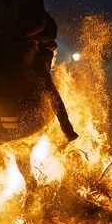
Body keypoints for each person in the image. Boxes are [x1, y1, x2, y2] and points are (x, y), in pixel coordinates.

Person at [32, 11, 78, 141]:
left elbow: (51, 33)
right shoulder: (1, 2)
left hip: (36, 55)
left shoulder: (36, 5)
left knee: (48, 87)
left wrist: (30, 38)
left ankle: (66, 127)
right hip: (6, 51)